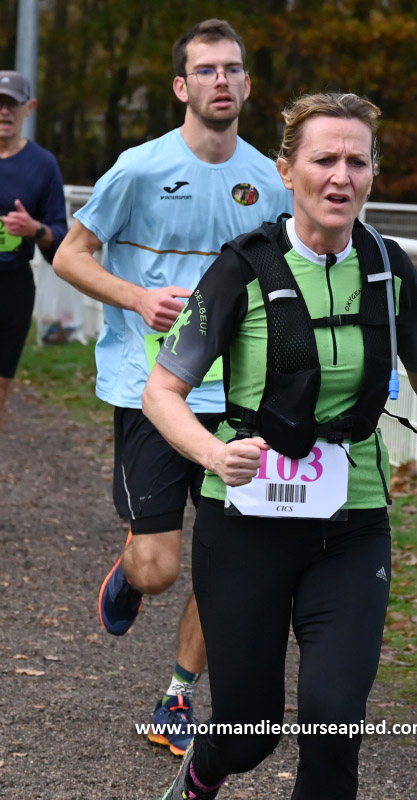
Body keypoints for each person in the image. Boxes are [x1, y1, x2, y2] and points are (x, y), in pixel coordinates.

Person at [142, 91, 417, 800]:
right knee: (248, 730)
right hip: (245, 517)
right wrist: (210, 453)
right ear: (287, 170)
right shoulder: (242, 266)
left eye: (358, 161)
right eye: (324, 160)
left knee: (333, 720)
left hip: (352, 522)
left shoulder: (387, 266)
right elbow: (161, 391)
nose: (341, 176)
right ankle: (203, 771)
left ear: (373, 173)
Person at [53, 19, 292, 756]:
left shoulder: (272, 180)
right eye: (207, 70)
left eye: (233, 69)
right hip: (150, 389)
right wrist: (135, 297)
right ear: (183, 87)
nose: (222, 80)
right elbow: (69, 255)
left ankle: (177, 696)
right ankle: (131, 575)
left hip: (239, 398)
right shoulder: (139, 169)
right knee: (159, 568)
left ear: (247, 85)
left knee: (231, 566)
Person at [0, 70, 67, 432]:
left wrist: (34, 229)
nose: (4, 111)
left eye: (12, 104)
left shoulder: (43, 165)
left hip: (12, 287)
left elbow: (61, 237)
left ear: (30, 108)